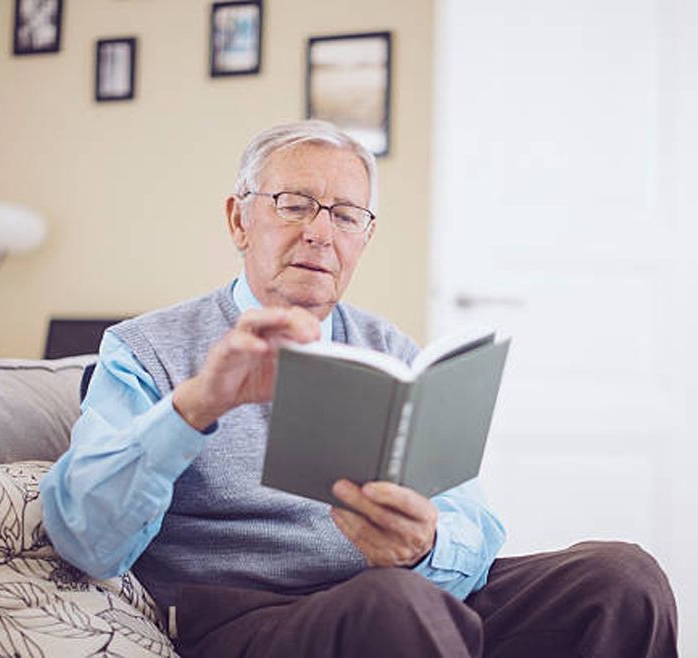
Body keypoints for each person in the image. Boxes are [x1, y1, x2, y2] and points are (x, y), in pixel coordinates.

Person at [41, 120, 678, 658]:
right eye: (294, 204)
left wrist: (426, 547)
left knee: (623, 578)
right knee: (394, 607)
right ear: (239, 219)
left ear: (364, 239)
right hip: (249, 615)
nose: (321, 233)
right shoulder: (144, 349)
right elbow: (85, 538)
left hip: (405, 597)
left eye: (347, 216)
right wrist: (197, 404)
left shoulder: (391, 350)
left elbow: (473, 521)